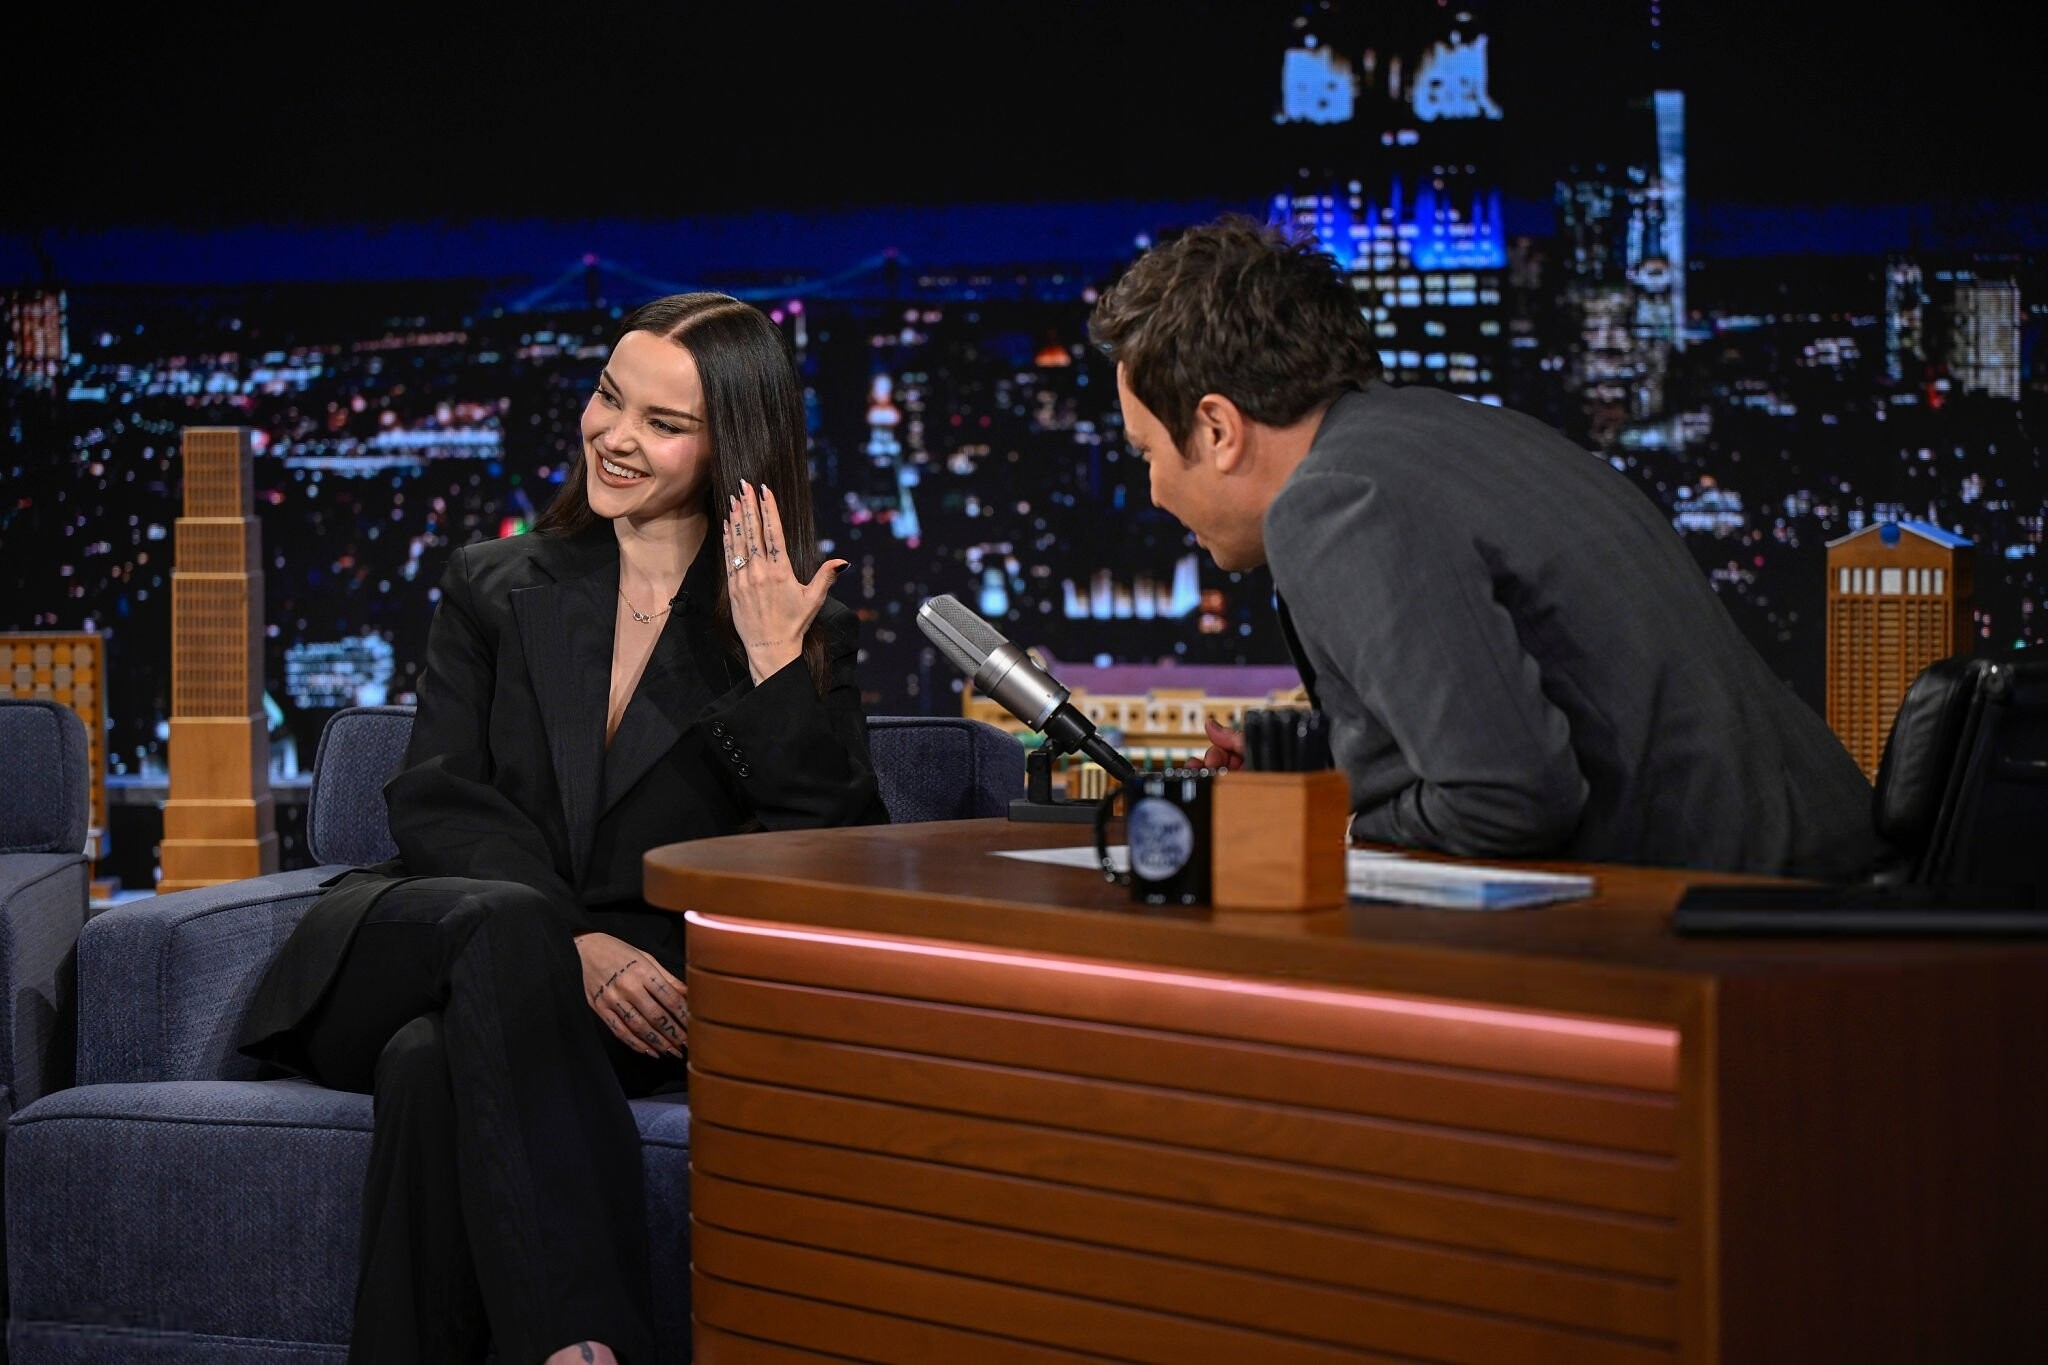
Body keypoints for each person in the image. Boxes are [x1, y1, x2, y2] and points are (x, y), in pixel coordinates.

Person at [238, 292, 891, 1365]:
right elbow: (436, 794)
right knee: (500, 933)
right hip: (427, 937)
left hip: (615, 1018)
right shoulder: (494, 582)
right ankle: (585, 1345)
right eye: (607, 397)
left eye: (662, 423)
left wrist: (774, 669)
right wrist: (568, 940)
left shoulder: (795, 633)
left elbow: (837, 859)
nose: (614, 436)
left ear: (734, 449)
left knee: (429, 1066)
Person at [1087, 216, 1888, 878]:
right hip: (1831, 894)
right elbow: (1522, 713)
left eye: (1147, 452)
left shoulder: (1333, 503)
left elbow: (1510, 801)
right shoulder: (1442, 436)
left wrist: (1323, 826)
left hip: (1750, 941)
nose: (1154, 491)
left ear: (1218, 429)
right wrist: (1314, 776)